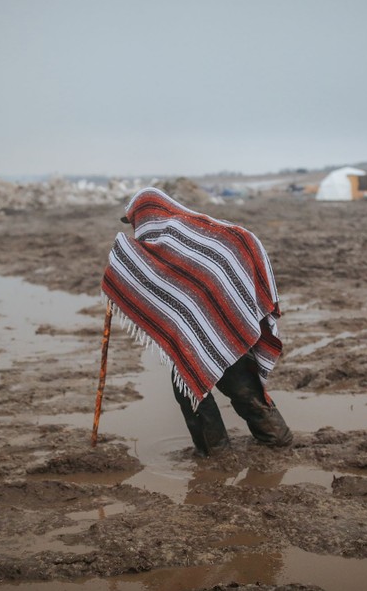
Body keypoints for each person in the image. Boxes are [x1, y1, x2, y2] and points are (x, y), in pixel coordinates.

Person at [102, 187, 292, 456]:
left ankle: (215, 453)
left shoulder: (171, 243)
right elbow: (245, 244)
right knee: (240, 383)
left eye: (134, 221)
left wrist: (119, 264)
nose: (135, 228)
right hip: (227, 326)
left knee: (193, 391)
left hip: (210, 328)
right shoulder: (200, 235)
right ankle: (277, 439)